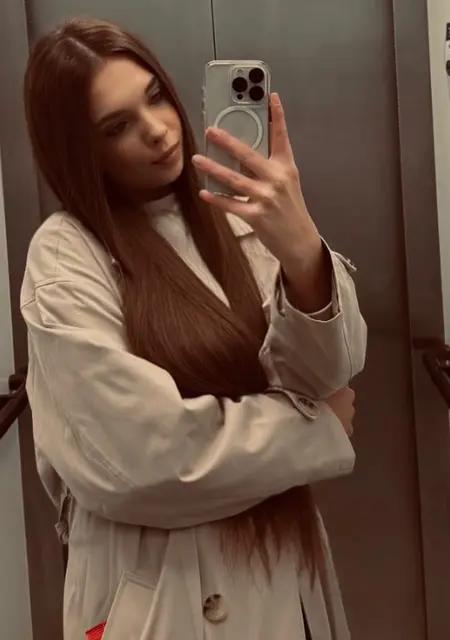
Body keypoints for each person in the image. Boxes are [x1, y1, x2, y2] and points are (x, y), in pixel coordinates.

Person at [21, 17, 367, 640]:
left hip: (283, 572)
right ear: (78, 150)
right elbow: (143, 461)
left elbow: (325, 376)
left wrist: (301, 252)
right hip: (167, 600)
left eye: (155, 96)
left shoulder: (235, 218)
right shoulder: (67, 255)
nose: (157, 130)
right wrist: (314, 429)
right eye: (116, 126)